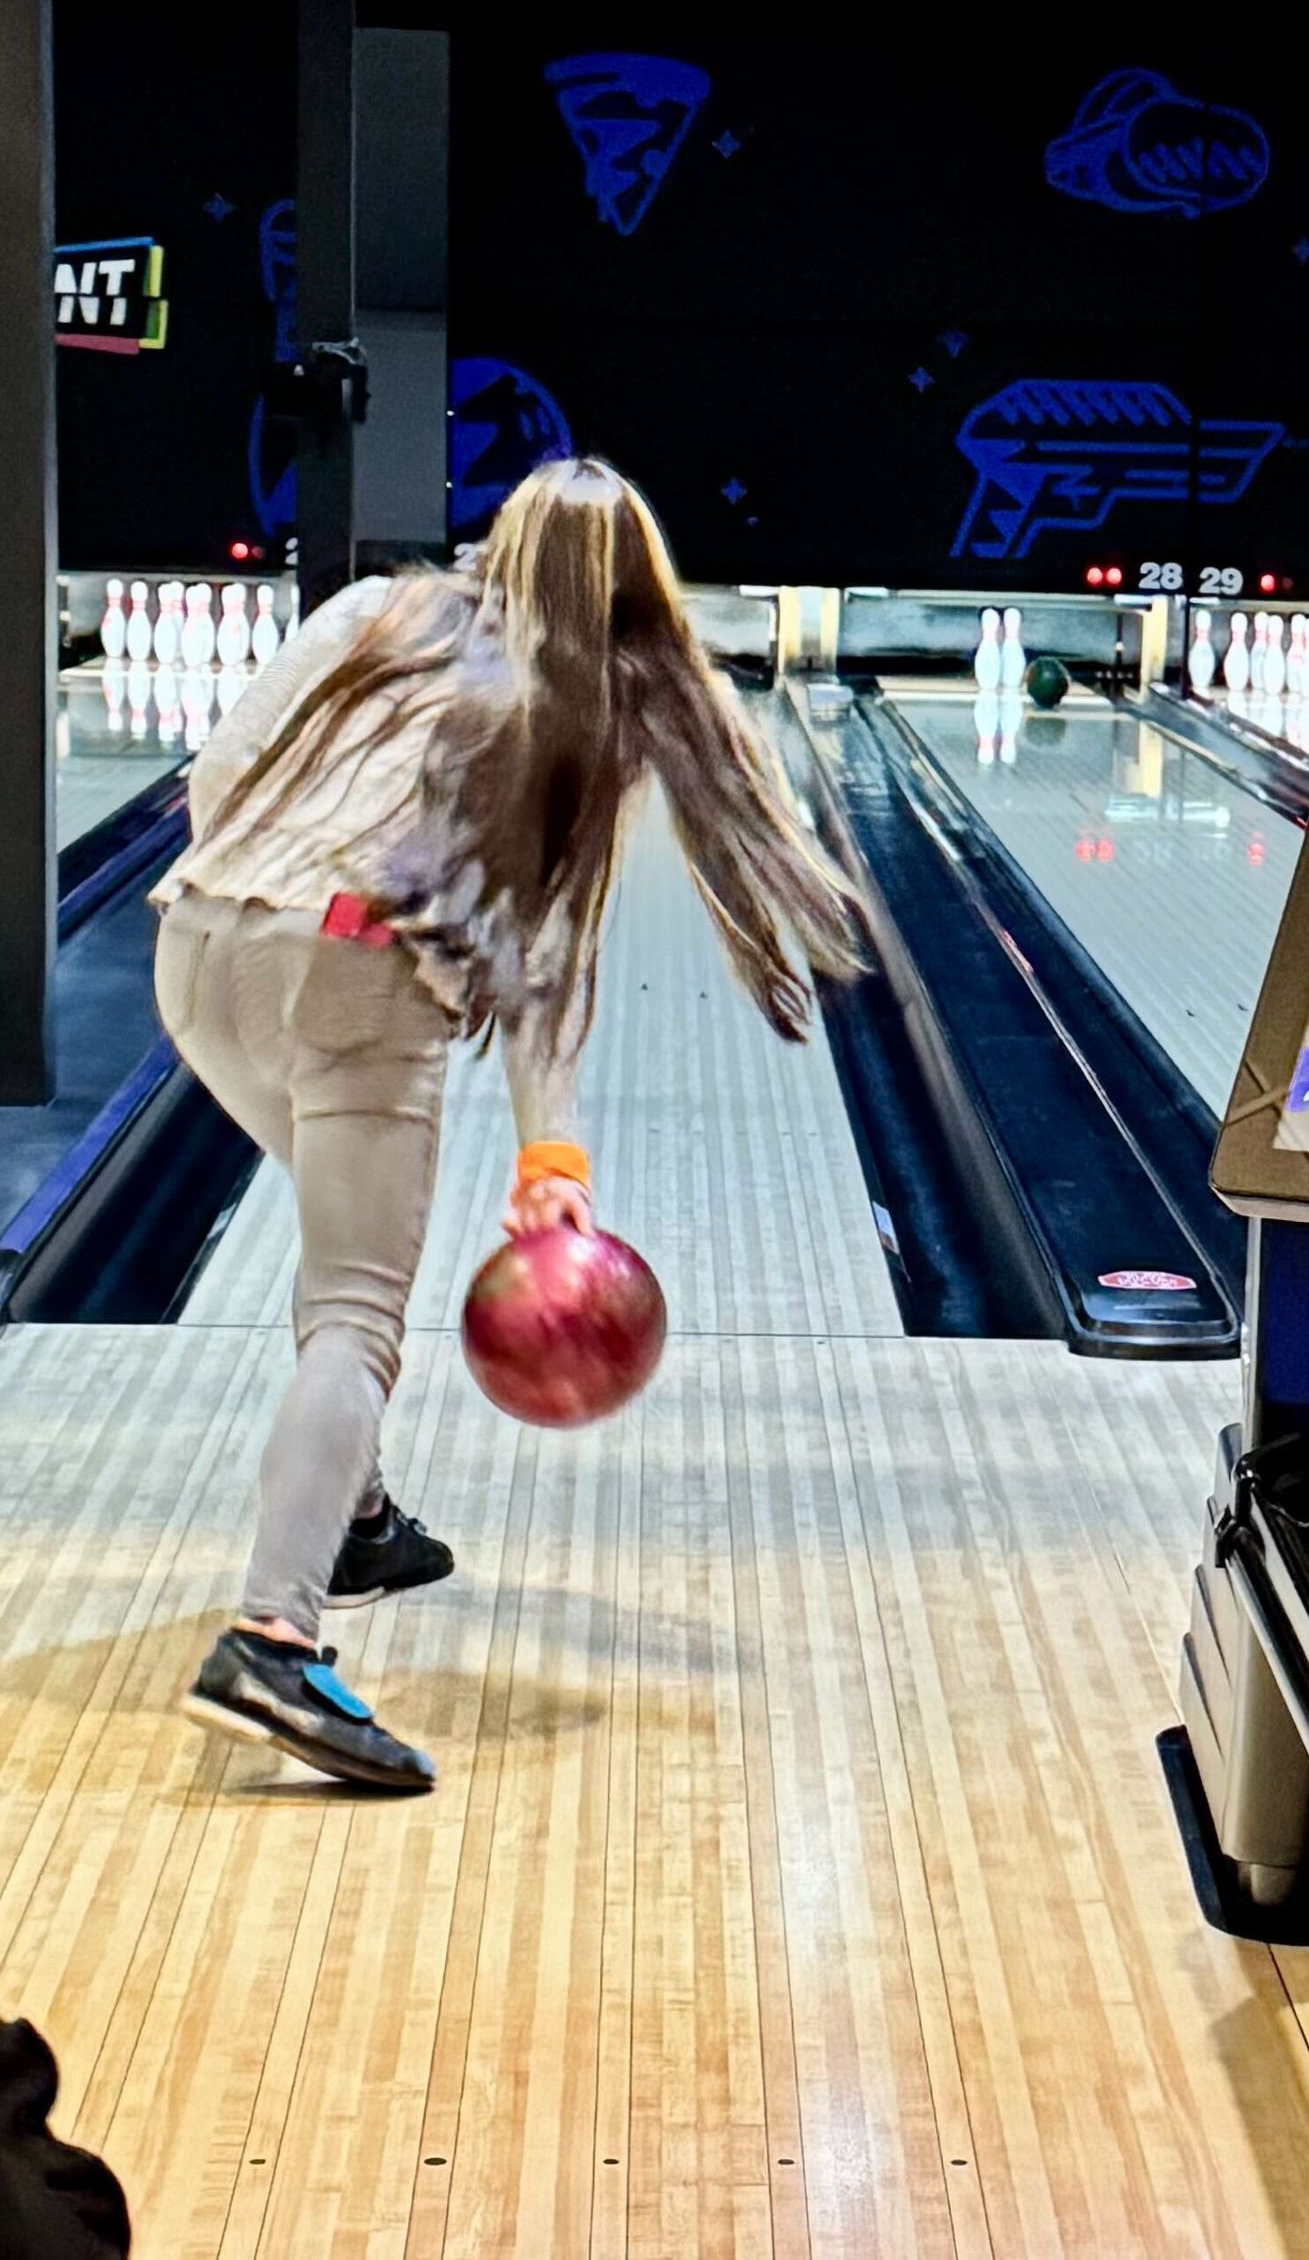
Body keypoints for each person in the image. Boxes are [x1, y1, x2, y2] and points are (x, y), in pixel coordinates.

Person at [153, 457, 863, 1790]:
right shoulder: (588, 709)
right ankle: (272, 1636)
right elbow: (545, 959)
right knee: (356, 1314)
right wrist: (551, 1159)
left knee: (346, 1260)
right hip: (357, 977)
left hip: (195, 946)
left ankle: (353, 1516)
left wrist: (276, 892)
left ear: (502, 540)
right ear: (636, 586)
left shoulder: (371, 608)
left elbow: (219, 771)